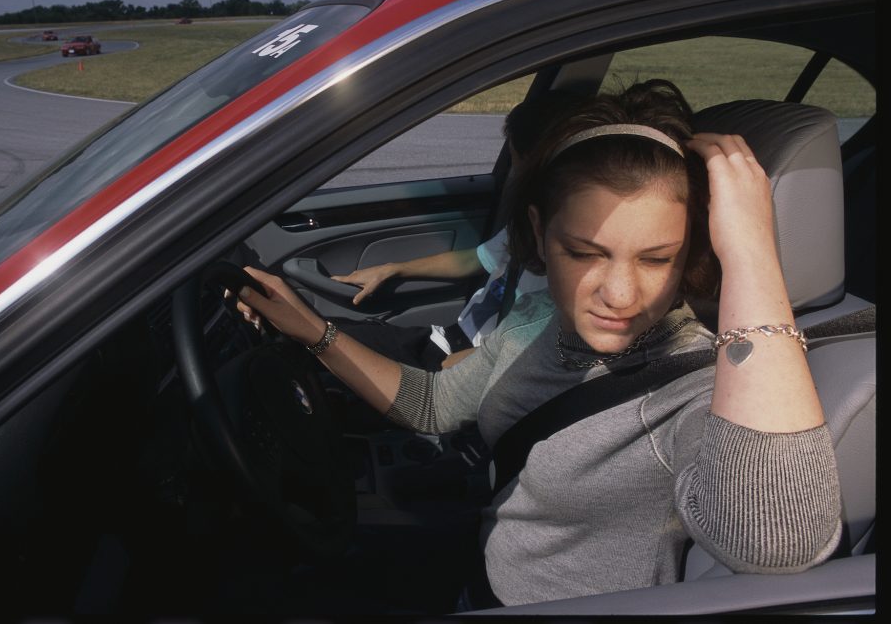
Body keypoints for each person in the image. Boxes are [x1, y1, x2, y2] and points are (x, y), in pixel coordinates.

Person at [235, 79, 842, 607]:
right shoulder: (536, 317)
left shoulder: (699, 387)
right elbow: (432, 406)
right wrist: (312, 330)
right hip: (482, 573)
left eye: (658, 259)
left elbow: (778, 544)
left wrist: (753, 256)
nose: (621, 295)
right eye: (583, 253)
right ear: (537, 233)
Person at [329, 93, 577, 370]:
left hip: (474, 368)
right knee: (329, 338)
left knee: (328, 351)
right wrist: (393, 269)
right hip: (448, 340)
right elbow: (474, 259)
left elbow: (539, 347)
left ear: (535, 163)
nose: (513, 173)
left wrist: (461, 368)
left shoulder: (574, 265)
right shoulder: (529, 225)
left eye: (516, 162)